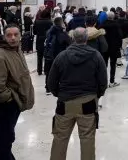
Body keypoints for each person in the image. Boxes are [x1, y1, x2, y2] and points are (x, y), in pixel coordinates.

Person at [46, 27, 108, 160]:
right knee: (87, 139)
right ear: (87, 39)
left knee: (60, 138)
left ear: (72, 38)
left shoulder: (61, 56)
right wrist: (96, 95)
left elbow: (51, 82)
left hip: (64, 103)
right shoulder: (96, 56)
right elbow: (103, 81)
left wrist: (60, 94)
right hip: (88, 102)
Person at [0, 25, 35, 160]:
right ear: (4, 36)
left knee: (4, 138)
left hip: (13, 102)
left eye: (15, 34)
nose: (13, 38)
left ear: (20, 35)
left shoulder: (15, 50)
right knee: (3, 139)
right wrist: (10, 99)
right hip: (5, 104)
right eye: (9, 35)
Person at [45, 17, 71, 94]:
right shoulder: (63, 34)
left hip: (49, 55)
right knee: (61, 71)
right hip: (60, 55)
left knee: (49, 72)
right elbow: (70, 43)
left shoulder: (49, 32)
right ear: (61, 23)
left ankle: (48, 87)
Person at [101, 11, 123, 87]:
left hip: (104, 47)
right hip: (114, 47)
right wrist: (119, 46)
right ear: (113, 17)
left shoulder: (103, 24)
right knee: (113, 64)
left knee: (104, 65)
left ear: (107, 17)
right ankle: (112, 82)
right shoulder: (116, 25)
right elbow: (120, 36)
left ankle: (104, 82)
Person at [33, 9, 54, 76]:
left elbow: (34, 32)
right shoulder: (50, 22)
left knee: (39, 56)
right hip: (47, 40)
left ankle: (39, 70)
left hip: (39, 39)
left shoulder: (37, 21)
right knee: (47, 56)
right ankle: (46, 70)